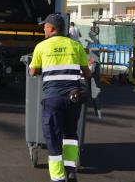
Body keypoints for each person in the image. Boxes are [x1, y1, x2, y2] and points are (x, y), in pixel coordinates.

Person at [29, 14, 91, 182]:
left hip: (53, 99)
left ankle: (58, 178)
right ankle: (70, 170)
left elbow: (33, 72)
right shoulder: (76, 45)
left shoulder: (41, 47)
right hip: (74, 98)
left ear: (52, 28)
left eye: (45, 26)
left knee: (53, 137)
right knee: (70, 134)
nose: (43, 28)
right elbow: (87, 73)